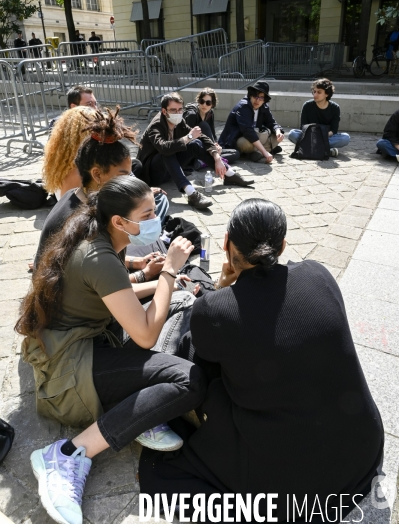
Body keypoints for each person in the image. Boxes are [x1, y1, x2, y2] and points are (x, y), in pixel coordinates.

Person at [139, 198, 384, 522]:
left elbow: (209, 362)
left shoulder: (215, 310)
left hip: (294, 488)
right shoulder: (317, 274)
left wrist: (223, 289)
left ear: (226, 244)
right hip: (362, 448)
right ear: (282, 244)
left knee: (198, 377)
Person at [17, 176, 206, 524]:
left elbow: (113, 295)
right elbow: (147, 335)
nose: (156, 219)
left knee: (178, 300)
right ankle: (68, 454)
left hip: (88, 345)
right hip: (68, 373)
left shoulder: (100, 235)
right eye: (148, 213)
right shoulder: (100, 255)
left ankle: (139, 410)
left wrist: (162, 282)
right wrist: (168, 270)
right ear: (120, 221)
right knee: (188, 381)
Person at [35, 106, 169, 275]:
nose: (128, 181)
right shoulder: (82, 222)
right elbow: (105, 286)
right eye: (122, 175)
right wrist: (150, 275)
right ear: (97, 174)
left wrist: (138, 263)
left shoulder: (81, 197)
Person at [137, 93, 253, 211]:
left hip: (169, 170)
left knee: (195, 144)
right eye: (173, 110)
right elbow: (163, 147)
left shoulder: (179, 121)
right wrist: (188, 137)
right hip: (151, 174)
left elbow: (201, 136)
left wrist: (217, 157)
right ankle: (191, 193)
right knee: (168, 150)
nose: (177, 113)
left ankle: (228, 174)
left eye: (180, 110)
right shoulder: (156, 126)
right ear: (164, 111)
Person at [218, 80, 284, 164]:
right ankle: (265, 150)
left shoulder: (264, 107)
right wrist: (264, 152)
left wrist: (278, 131)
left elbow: (272, 122)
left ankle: (256, 153)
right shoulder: (243, 107)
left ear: (264, 100)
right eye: (255, 96)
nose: (257, 100)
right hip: (236, 140)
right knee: (246, 143)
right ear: (250, 95)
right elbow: (248, 131)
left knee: (276, 138)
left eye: (261, 97)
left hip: (254, 138)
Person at [288, 78, 350, 157]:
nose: (315, 95)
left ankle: (314, 148)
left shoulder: (335, 107)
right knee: (292, 134)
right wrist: (313, 136)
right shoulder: (307, 105)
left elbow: (334, 130)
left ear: (326, 94)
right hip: (309, 136)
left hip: (326, 136)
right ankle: (326, 149)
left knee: (345, 138)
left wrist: (322, 136)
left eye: (319, 92)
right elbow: (303, 127)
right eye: (314, 92)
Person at [183, 88, 240, 165]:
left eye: (208, 103)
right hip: (194, 147)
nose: (204, 105)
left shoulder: (210, 113)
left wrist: (216, 145)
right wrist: (212, 147)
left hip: (207, 147)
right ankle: (212, 160)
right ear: (198, 101)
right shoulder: (192, 114)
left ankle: (203, 163)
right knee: (204, 125)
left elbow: (212, 133)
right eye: (202, 101)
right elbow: (188, 138)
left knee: (235, 153)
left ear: (212, 104)